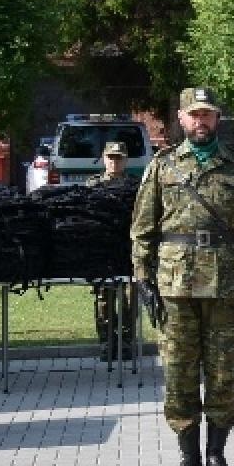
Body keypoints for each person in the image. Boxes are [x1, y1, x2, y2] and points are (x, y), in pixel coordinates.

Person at [130, 88, 234, 466]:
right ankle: (189, 460)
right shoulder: (163, 166)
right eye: (194, 115)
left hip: (225, 286)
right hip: (174, 287)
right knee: (178, 374)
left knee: (223, 374)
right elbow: (143, 227)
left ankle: (217, 456)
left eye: (207, 115)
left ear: (217, 118)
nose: (201, 122)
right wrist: (143, 279)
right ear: (182, 118)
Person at [89, 141, 136, 360]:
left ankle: (126, 342)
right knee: (104, 298)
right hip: (103, 250)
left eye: (119, 158)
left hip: (129, 248)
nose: (114, 162)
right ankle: (107, 342)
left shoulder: (135, 186)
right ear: (104, 158)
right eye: (111, 157)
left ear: (125, 160)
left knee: (130, 296)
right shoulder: (93, 186)